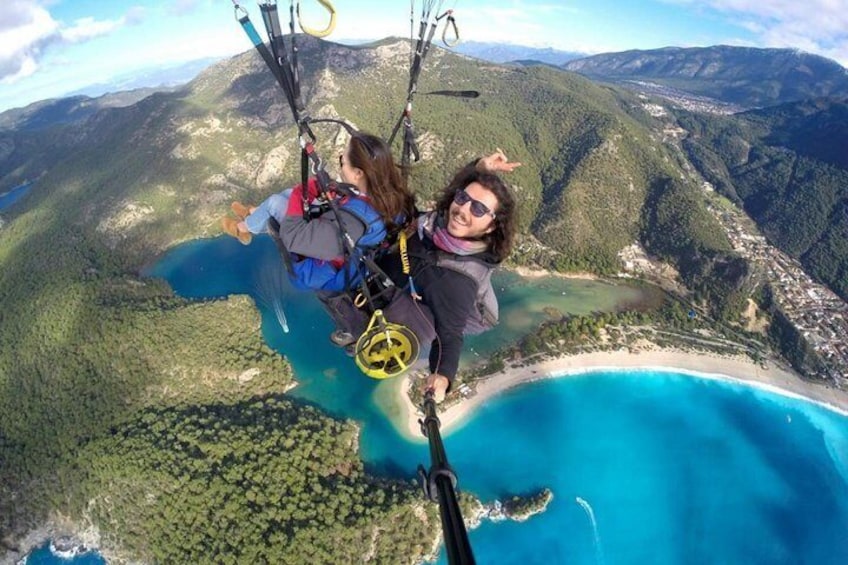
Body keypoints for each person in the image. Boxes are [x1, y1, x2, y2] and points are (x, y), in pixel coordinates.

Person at [221, 131, 415, 343]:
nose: (340, 162)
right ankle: (253, 215)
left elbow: (295, 237)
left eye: (343, 160)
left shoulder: (356, 221)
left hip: (324, 270)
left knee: (280, 201)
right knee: (286, 196)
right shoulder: (384, 194)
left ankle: (243, 229)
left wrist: (301, 192)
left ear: (359, 173)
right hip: (340, 244)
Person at [377, 150, 520, 402]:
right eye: (463, 198)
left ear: (491, 225)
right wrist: (479, 167)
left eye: (478, 209)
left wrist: (442, 377)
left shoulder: (455, 282)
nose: (463, 209)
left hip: (442, 305)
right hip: (409, 269)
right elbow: (458, 190)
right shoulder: (438, 223)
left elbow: (449, 337)